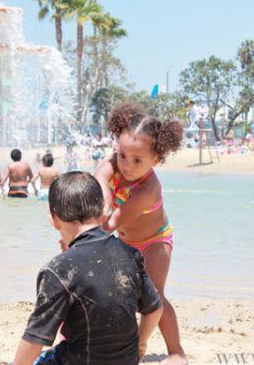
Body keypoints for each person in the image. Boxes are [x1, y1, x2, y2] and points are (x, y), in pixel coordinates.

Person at [12, 172, 163, 365]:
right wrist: (140, 345)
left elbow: (35, 338)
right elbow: (155, 309)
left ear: (53, 218)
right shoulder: (129, 254)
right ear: (103, 211)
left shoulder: (58, 270)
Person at [95, 103, 187, 365]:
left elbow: (111, 223)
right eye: (122, 155)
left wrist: (79, 237)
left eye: (137, 160)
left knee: (155, 296)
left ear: (155, 159)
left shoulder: (148, 189)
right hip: (126, 240)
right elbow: (100, 176)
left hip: (155, 241)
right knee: (119, 293)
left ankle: (175, 351)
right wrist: (104, 193)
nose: (127, 165)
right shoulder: (116, 162)